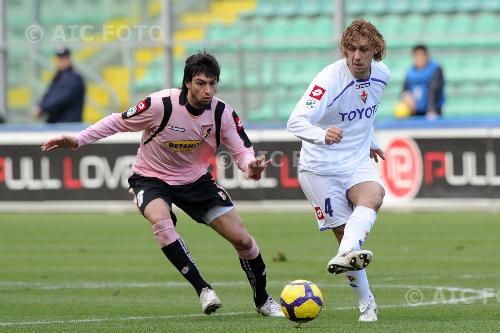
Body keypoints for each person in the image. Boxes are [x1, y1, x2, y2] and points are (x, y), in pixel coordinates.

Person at [41, 51, 284, 317]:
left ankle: (262, 300)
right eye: (201, 83)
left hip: (195, 181)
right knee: (160, 220)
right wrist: (78, 140)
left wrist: (251, 165)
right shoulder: (160, 105)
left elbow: (242, 151)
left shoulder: (222, 113)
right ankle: (203, 289)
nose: (208, 90)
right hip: (150, 177)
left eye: (212, 84)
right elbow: (117, 121)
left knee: (243, 240)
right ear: (188, 83)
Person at [287, 18, 389, 322]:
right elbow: (295, 121)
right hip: (320, 168)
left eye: (363, 50)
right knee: (345, 233)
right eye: (351, 49)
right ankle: (366, 303)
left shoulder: (382, 75)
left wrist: (369, 139)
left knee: (374, 195)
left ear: (376, 52)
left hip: (356, 161)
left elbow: (364, 113)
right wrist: (323, 135)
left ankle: (346, 254)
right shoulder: (329, 80)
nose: (356, 56)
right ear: (344, 49)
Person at [35, 47, 85, 123]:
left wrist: (43, 108)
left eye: (64, 59)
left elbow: (63, 97)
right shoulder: (57, 76)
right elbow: (48, 94)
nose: (62, 61)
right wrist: (40, 106)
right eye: (59, 59)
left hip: (69, 123)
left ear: (69, 59)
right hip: (56, 122)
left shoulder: (75, 78)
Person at [400, 44, 445, 119]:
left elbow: (434, 90)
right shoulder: (410, 72)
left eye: (422, 55)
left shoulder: (435, 69)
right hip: (414, 112)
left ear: (427, 56)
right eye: (417, 56)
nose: (419, 58)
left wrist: (431, 110)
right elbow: (405, 90)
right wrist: (406, 97)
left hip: (432, 112)